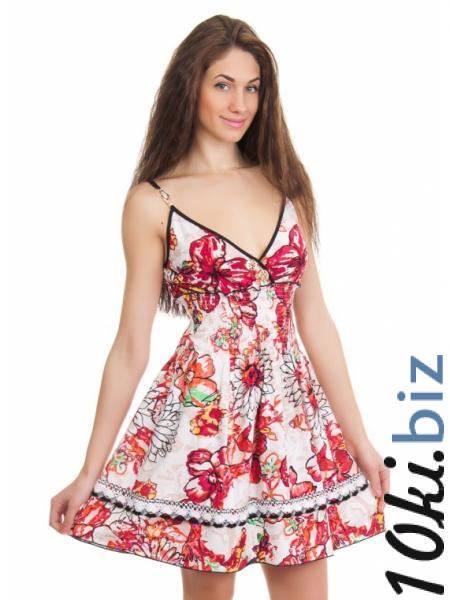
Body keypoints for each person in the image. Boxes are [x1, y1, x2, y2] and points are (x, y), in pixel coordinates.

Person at [49, 14, 389, 600]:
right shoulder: (152, 202)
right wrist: (88, 471)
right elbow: (130, 346)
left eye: (252, 87)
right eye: (223, 84)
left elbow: (316, 321)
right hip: (206, 421)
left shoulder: (286, 184)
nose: (240, 104)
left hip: (291, 424)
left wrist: (360, 440)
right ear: (192, 86)